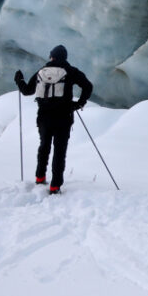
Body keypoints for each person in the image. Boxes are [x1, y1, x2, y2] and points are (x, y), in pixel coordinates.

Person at [14, 44, 93, 194]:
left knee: (44, 146)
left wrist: (19, 79)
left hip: (44, 117)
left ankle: (39, 177)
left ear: (52, 56)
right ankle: (55, 186)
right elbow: (88, 86)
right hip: (63, 117)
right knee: (59, 150)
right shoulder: (70, 71)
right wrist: (79, 103)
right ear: (65, 57)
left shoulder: (41, 72)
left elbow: (26, 91)